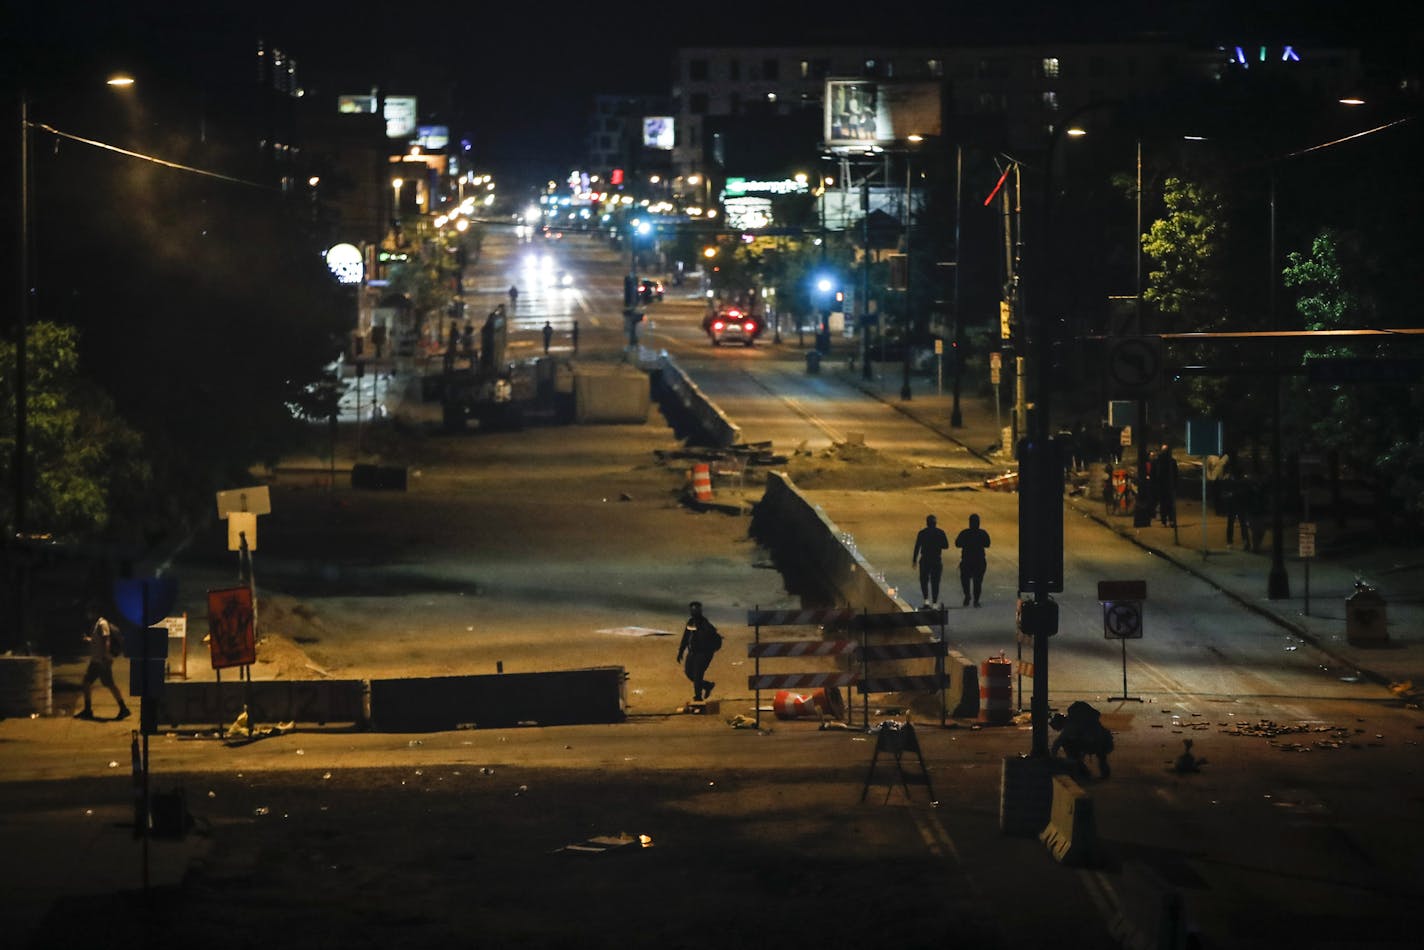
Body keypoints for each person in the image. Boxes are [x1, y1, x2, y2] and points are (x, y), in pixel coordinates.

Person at [75, 616, 130, 720]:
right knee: (89, 683)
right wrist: (89, 640)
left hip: (101, 661)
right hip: (97, 660)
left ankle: (123, 708)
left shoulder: (102, 623)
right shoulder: (98, 624)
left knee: (107, 684)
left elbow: (107, 640)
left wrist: (105, 656)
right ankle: (88, 710)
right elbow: (99, 640)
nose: (88, 614)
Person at [1050, 700, 1113, 778]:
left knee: (1068, 744)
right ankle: (1101, 771)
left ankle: (1082, 770)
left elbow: (1058, 742)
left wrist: (1052, 758)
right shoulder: (1082, 719)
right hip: (1105, 741)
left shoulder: (1070, 726)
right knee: (1100, 755)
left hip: (1097, 743)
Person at [676, 601, 722, 702]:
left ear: (700, 611)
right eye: (692, 610)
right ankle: (707, 685)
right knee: (689, 673)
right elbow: (686, 637)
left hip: (703, 654)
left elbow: (710, 635)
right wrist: (681, 652)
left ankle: (698, 697)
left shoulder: (705, 624)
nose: (694, 611)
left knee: (697, 675)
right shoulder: (691, 622)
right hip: (692, 652)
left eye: (696, 609)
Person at [911, 514, 950, 608]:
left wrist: (914, 560)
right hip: (936, 559)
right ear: (935, 523)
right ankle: (935, 603)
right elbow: (946, 545)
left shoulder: (922, 533)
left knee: (924, 580)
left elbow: (917, 547)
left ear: (927, 523)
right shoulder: (940, 532)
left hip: (925, 559)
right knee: (935, 582)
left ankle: (926, 601)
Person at [954, 513, 992, 607]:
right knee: (977, 582)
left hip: (967, 560)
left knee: (965, 580)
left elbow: (957, 544)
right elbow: (987, 544)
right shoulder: (982, 533)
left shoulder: (965, 533)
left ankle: (967, 595)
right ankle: (976, 600)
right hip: (979, 561)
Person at [1154, 444, 1179, 527]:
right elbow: (1176, 474)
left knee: (1163, 504)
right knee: (1170, 504)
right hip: (1169, 485)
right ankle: (1170, 520)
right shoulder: (1171, 461)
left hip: (1162, 485)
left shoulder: (1158, 461)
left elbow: (1156, 474)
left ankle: (1164, 521)